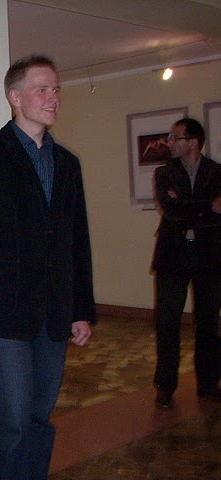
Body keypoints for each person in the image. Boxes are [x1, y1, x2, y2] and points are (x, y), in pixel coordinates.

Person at [0, 54, 96, 480]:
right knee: (12, 422)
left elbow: (77, 242)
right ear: (15, 97)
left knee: (38, 418)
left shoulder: (67, 163)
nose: (53, 98)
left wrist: (81, 309)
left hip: (55, 313)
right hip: (4, 316)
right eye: (42, 89)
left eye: (56, 89)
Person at [152, 117, 221, 409]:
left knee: (208, 323)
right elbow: (171, 210)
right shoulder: (164, 173)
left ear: (193, 142)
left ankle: (209, 384)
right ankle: (165, 386)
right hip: (173, 256)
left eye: (175, 137)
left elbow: (185, 209)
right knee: (167, 322)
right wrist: (208, 207)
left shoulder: (217, 172)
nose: (169, 142)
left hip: (210, 255)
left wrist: (186, 205)